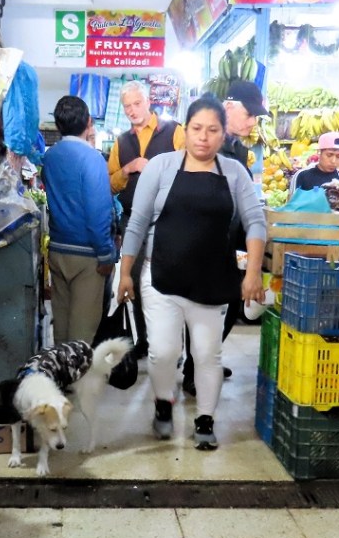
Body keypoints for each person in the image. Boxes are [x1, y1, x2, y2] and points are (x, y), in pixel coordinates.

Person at [117, 95, 266, 450]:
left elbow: (256, 220)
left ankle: (205, 419)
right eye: (197, 128)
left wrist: (254, 272)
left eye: (212, 130)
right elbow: (137, 222)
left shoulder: (234, 172)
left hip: (212, 281)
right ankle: (163, 403)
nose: (203, 137)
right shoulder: (162, 166)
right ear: (186, 130)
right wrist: (124, 272)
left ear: (222, 132)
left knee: (207, 354)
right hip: (160, 277)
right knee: (163, 352)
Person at [182, 79, 268, 395]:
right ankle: (195, 370)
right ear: (230, 108)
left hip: (228, 244)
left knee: (225, 307)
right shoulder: (206, 146)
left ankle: (204, 361)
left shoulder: (236, 149)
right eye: (250, 114)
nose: (253, 121)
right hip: (204, 244)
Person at [107, 80, 186, 358]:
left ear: (148, 102)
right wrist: (128, 168)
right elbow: (111, 184)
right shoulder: (122, 142)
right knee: (134, 280)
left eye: (136, 103)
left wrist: (155, 168)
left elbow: (189, 169)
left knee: (170, 280)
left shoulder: (174, 132)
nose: (132, 110)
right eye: (127, 106)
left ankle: (171, 346)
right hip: (132, 221)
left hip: (169, 219)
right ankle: (144, 340)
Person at [41, 96, 115, 344]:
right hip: (87, 255)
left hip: (58, 250)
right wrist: (105, 253)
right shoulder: (92, 159)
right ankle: (77, 381)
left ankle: (60, 379)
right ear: (89, 122)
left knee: (61, 325)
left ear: (58, 125)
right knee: (82, 332)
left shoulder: (50, 158)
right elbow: (98, 212)